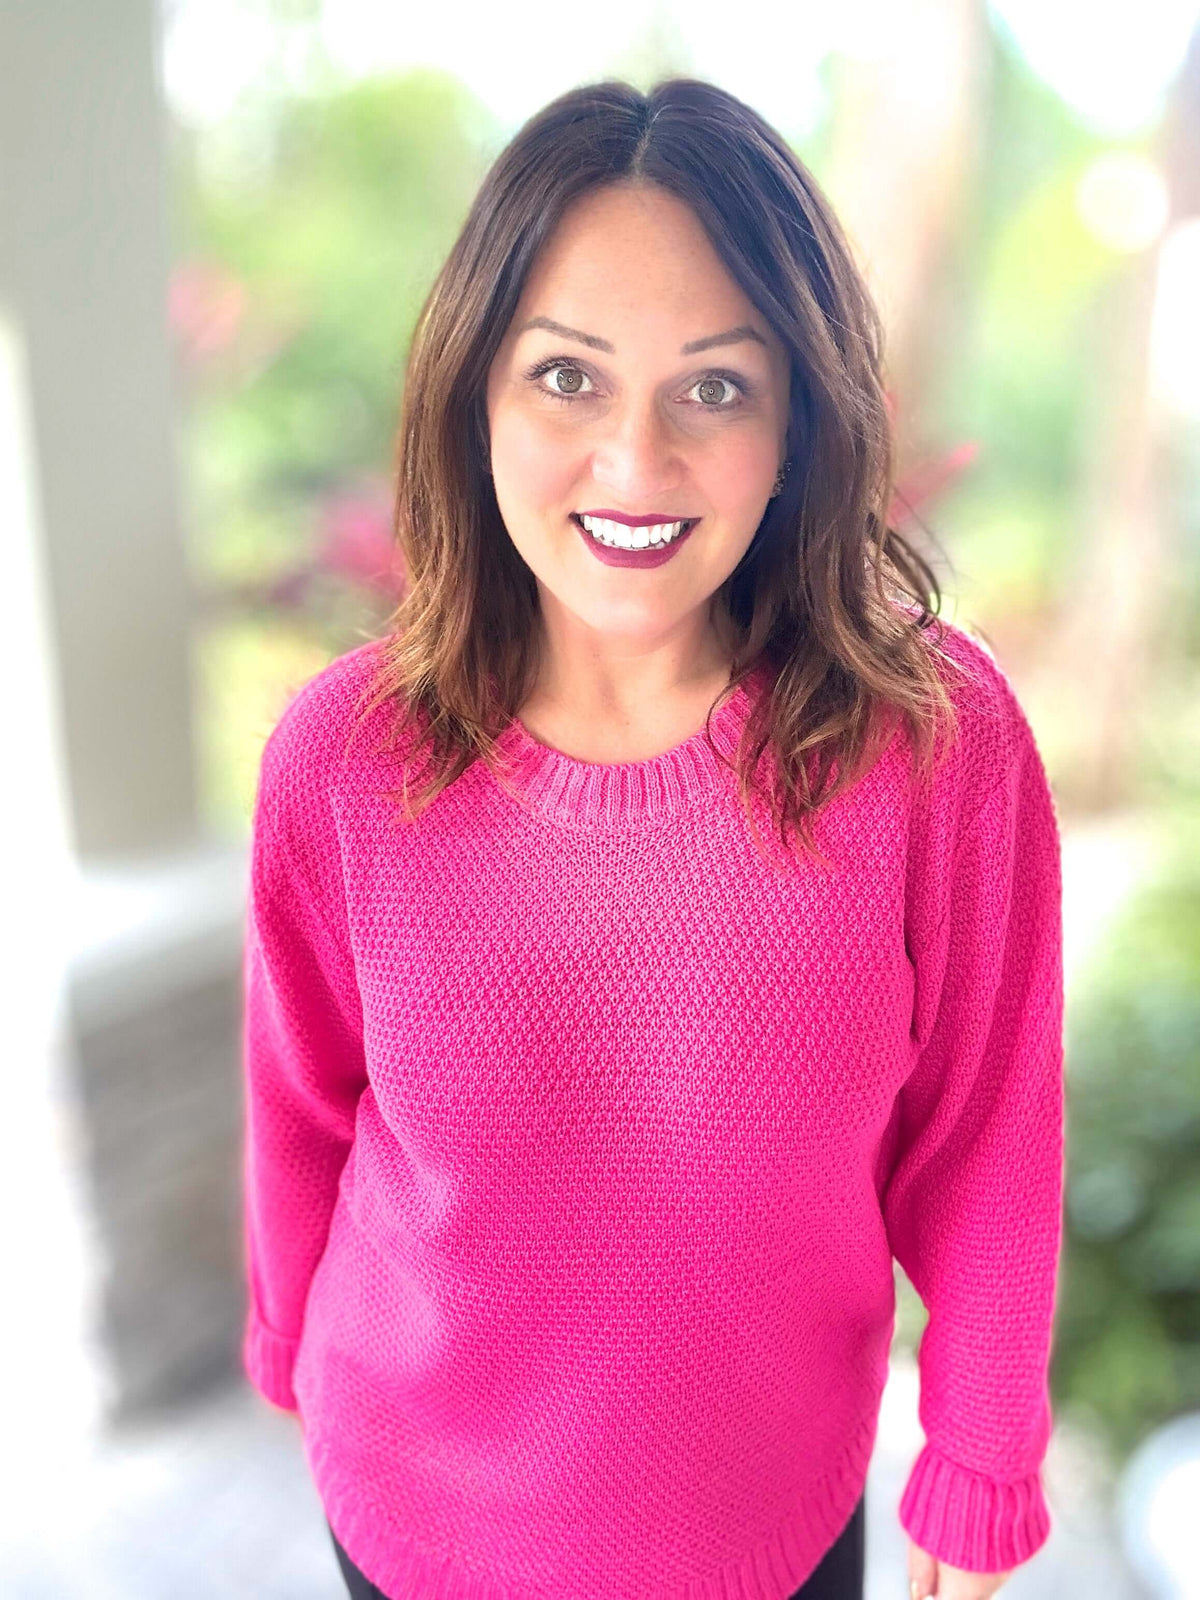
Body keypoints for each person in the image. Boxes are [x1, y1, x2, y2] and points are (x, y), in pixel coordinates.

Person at [239, 76, 1064, 1600]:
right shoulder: (342, 760)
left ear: (800, 413)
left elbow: (989, 1126)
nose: (635, 462)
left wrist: (983, 1450)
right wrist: (290, 1349)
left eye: (714, 387)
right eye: (565, 377)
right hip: (412, 1511)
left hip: (767, 1526)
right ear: (475, 387)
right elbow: (302, 1101)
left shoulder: (932, 743)